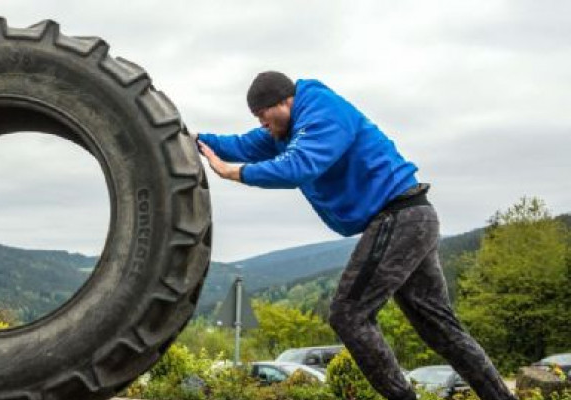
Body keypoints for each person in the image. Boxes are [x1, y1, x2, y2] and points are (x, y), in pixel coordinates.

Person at [195, 71, 516, 400]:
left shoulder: (324, 112)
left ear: (284, 101)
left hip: (399, 216)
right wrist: (189, 139)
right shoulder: (285, 129)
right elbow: (239, 145)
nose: (262, 124)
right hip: (414, 218)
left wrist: (234, 172)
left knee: (349, 314)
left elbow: (300, 166)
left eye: (263, 115)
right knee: (439, 327)